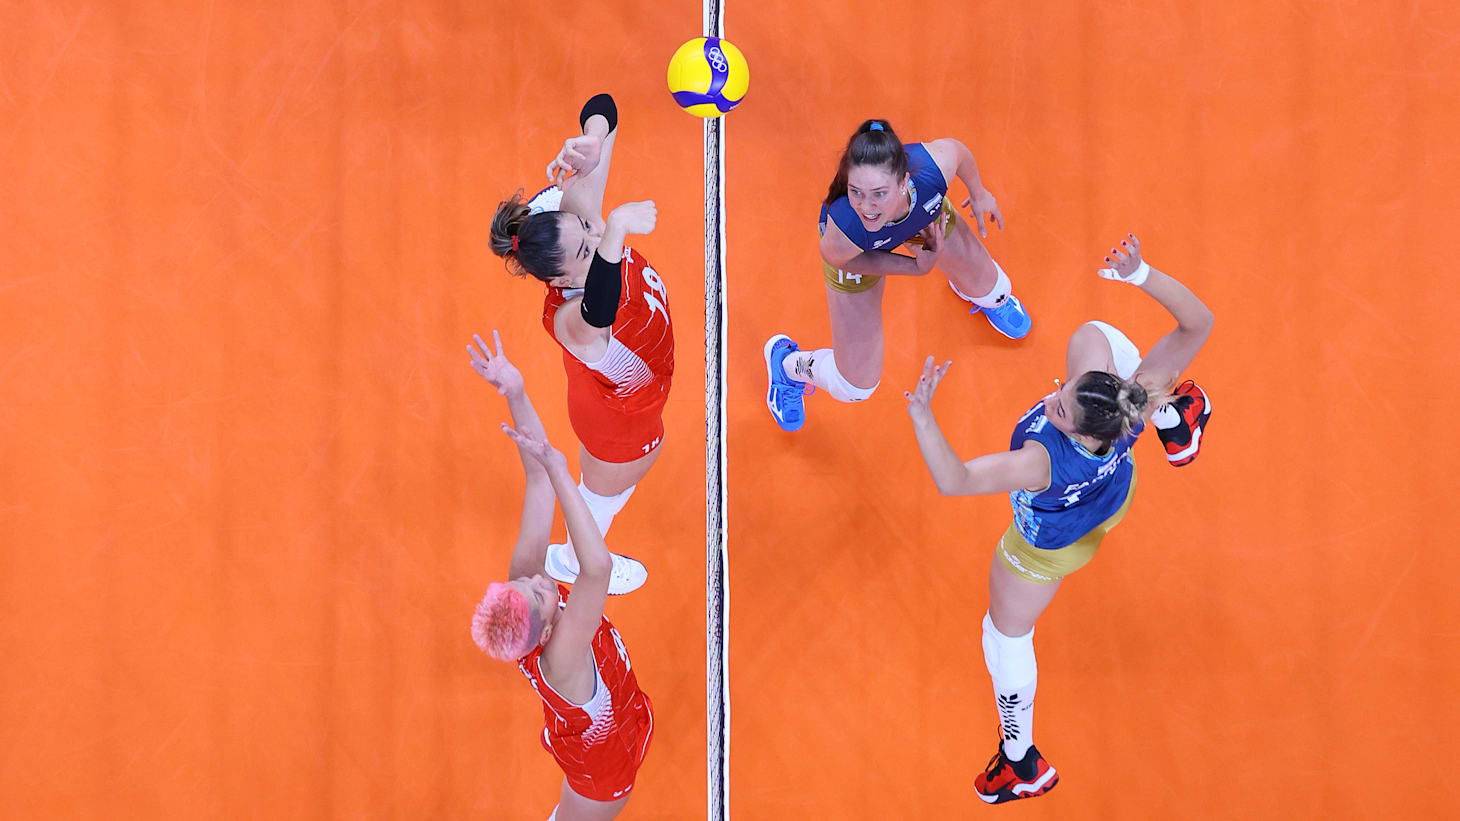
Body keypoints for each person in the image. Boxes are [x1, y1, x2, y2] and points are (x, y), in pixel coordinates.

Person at [902, 234, 1214, 803]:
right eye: (1066, 389)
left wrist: (924, 418)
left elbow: (956, 481)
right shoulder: (1130, 403)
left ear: (1080, 433)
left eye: (1062, 408)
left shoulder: (1039, 462)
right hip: (1115, 494)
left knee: (1003, 635)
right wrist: (1142, 274)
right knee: (1094, 336)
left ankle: (1020, 760)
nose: (1052, 398)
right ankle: (1175, 418)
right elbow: (1198, 323)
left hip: (1048, 548)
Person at [489, 93, 673, 594]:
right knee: (608, 491)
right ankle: (574, 560)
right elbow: (600, 310)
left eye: (589, 228)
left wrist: (593, 140)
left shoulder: (581, 234)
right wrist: (616, 227)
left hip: (632, 393)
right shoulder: (569, 318)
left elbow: (604, 106)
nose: (596, 234)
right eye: (588, 249)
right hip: (619, 418)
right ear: (560, 280)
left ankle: (576, 551)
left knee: (617, 479)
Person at [468, 330, 654, 821]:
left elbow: (536, 480)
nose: (539, 579)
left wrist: (515, 392)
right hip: (600, 771)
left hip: (614, 710)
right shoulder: (562, 658)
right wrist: (563, 471)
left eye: (525, 581)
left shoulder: (526, 605)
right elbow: (598, 568)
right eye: (540, 593)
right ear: (547, 633)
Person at [764, 118, 1031, 432]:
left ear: (904, 182)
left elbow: (958, 151)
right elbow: (844, 261)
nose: (867, 207)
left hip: (918, 223)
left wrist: (979, 192)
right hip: (860, 251)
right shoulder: (845, 227)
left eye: (879, 193)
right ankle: (787, 366)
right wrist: (914, 267)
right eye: (855, 191)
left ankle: (975, 291)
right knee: (854, 386)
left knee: (995, 289)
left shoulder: (931, 171)